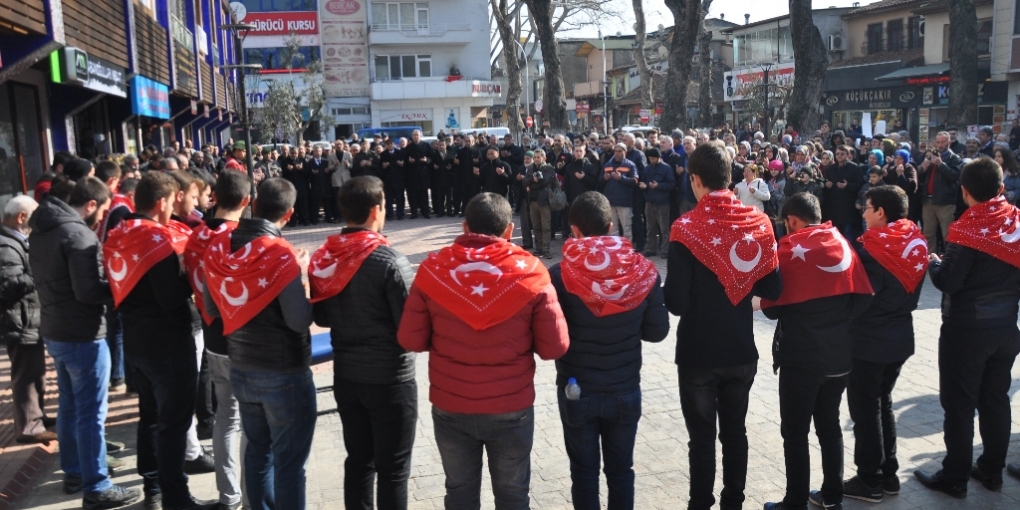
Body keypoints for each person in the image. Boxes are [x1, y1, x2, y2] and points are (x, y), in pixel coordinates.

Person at [397, 193, 570, 509]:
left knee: (460, 494)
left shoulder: (432, 270)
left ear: (465, 227)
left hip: (451, 405)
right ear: (509, 230)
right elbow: (554, 347)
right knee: (513, 496)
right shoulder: (532, 273)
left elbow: (411, 340)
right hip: (511, 405)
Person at [665, 143, 782, 510]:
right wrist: (741, 280)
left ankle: (700, 503)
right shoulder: (758, 224)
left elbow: (676, 303)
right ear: (730, 177)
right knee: (735, 433)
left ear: (695, 180)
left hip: (698, 352)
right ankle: (734, 503)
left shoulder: (685, 228)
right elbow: (773, 289)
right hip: (740, 348)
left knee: (701, 439)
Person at [103, 172, 215, 510]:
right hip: (167, 344)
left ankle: (153, 487)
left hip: (136, 340)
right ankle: (176, 498)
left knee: (150, 417)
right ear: (162, 202)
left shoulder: (121, 232)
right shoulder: (156, 239)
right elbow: (170, 296)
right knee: (173, 424)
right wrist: (191, 271)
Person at [550, 191, 669, 509]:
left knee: (583, 473)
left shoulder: (560, 275)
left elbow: (550, 339)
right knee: (621, 471)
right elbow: (657, 332)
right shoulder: (643, 271)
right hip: (624, 388)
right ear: (610, 225)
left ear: (574, 230)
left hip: (577, 389)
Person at [204, 178, 315, 510]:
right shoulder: (281, 255)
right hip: (283, 371)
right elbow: (299, 320)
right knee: (289, 463)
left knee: (257, 452)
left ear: (253, 205)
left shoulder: (220, 248)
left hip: (240, 366)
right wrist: (301, 276)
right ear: (289, 214)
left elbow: (212, 309)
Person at [29, 177, 141, 508]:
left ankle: (75, 471)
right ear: (91, 204)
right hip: (82, 334)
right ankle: (96, 486)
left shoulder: (43, 229)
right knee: (91, 413)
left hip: (57, 329)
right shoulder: (78, 234)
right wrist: (121, 285)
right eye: (103, 210)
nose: (103, 217)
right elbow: (88, 291)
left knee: (70, 406)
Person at [760, 193, 874, 510]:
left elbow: (771, 309)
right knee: (829, 427)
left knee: (795, 432)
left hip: (800, 357)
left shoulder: (788, 251)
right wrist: (838, 324)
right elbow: (863, 298)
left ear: (791, 220)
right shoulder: (841, 243)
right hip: (839, 354)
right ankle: (833, 497)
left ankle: (795, 501)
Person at [914, 158, 1020, 499]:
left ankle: (955, 476)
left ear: (964, 191)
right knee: (996, 400)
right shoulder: (1016, 221)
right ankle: (992, 471)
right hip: (1006, 327)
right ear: (1001, 188)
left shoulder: (968, 228)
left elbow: (949, 281)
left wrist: (935, 263)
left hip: (967, 331)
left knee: (959, 405)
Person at [310, 176, 417, 509]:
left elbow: (322, 317)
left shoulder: (325, 257)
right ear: (375, 211)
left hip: (347, 376)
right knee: (393, 469)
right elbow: (411, 328)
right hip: (390, 379)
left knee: (358, 461)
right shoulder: (390, 262)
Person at [842, 185, 927, 503]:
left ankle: (869, 480)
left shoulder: (874, 251)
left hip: (870, 342)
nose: (863, 214)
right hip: (900, 336)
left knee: (866, 410)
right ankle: (888, 475)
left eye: (866, 208)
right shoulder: (914, 240)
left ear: (880, 212)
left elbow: (860, 302)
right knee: (882, 404)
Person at [183, 170, 252, 510]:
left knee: (226, 418)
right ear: (246, 201)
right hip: (240, 338)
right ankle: (251, 496)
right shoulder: (238, 238)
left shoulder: (196, 234)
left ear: (214, 197)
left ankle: (229, 496)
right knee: (250, 422)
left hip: (212, 336)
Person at [1, 196, 53, 444]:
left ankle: (37, 417)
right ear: (21, 217)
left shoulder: (16, 241)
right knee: (26, 375)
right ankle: (29, 427)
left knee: (36, 373)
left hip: (28, 317)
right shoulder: (6, 245)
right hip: (19, 321)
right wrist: (36, 268)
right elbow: (8, 286)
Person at [917, 132, 962, 254]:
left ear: (949, 143)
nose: (940, 145)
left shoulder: (954, 158)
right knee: (928, 234)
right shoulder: (931, 156)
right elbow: (919, 176)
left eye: (943, 142)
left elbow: (954, 176)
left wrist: (941, 164)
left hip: (945, 202)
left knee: (947, 234)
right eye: (938, 142)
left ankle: (948, 259)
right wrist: (923, 168)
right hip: (928, 201)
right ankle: (931, 259)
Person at [638, 147, 675, 258]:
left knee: (664, 228)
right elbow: (643, 181)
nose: (652, 160)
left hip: (663, 203)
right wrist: (643, 186)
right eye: (650, 158)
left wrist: (659, 186)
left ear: (659, 158)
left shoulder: (666, 168)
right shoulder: (647, 168)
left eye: (654, 158)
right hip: (649, 202)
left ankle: (665, 250)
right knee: (650, 227)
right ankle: (651, 248)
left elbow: (671, 184)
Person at [823, 145, 864, 240]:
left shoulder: (855, 168)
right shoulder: (830, 169)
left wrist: (847, 186)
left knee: (848, 235)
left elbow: (860, 185)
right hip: (834, 208)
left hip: (848, 208)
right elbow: (826, 185)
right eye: (837, 154)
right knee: (835, 236)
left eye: (842, 154)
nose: (839, 156)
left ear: (847, 155)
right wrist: (827, 185)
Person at [525, 150, 559, 259]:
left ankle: (546, 249)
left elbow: (545, 182)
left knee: (546, 227)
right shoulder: (531, 169)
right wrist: (532, 180)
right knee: (536, 227)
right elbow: (524, 182)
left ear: (544, 158)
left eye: (538, 157)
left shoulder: (549, 168)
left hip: (544, 202)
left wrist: (531, 186)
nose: (536, 159)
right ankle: (539, 248)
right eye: (535, 157)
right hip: (532, 202)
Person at [601, 144, 639, 241]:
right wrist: (604, 179)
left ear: (625, 152)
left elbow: (635, 181)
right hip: (610, 201)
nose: (617, 153)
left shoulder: (630, 165)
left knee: (626, 227)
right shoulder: (607, 165)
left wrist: (621, 178)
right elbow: (599, 181)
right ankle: (614, 247)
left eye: (619, 151)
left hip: (624, 202)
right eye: (615, 151)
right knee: (612, 228)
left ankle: (627, 248)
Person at [403, 130, 432, 219]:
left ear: (420, 136)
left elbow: (431, 157)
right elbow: (405, 159)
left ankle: (425, 212)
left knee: (424, 195)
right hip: (412, 175)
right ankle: (414, 213)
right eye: (414, 135)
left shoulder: (426, 145)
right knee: (413, 195)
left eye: (417, 135)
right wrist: (409, 161)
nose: (416, 137)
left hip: (423, 174)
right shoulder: (409, 147)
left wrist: (426, 160)